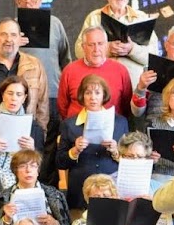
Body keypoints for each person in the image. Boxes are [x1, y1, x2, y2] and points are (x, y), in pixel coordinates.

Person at [15, 0, 73, 185]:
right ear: (17, 1)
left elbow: (66, 57)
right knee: (26, 140)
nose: (28, 4)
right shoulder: (12, 28)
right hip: (22, 95)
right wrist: (14, 45)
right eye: (23, 0)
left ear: (40, 0)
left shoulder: (55, 23)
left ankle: (46, 186)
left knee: (50, 142)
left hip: (53, 93)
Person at [55, 75, 129, 210]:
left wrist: (115, 151)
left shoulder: (120, 122)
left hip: (111, 188)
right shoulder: (69, 124)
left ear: (104, 95)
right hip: (80, 188)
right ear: (82, 96)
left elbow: (130, 160)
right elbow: (60, 162)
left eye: (97, 93)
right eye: (88, 93)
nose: (92, 97)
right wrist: (75, 150)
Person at [77, 0, 158, 88]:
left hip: (134, 87)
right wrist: (107, 49)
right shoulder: (95, 18)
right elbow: (79, 51)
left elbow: (154, 56)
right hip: (101, 88)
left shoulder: (142, 18)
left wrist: (132, 49)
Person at [57, 26, 133, 119]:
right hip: (76, 128)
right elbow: (62, 106)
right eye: (91, 45)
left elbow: (127, 106)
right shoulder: (69, 70)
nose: (96, 49)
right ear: (83, 47)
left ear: (106, 45)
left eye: (100, 44)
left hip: (111, 127)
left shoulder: (121, 70)